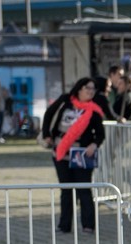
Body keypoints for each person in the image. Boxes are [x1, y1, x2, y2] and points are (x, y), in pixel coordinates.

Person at [41, 77, 105, 234]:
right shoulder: (66, 101)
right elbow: (49, 114)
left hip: (81, 154)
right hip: (61, 151)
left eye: (93, 89)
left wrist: (94, 144)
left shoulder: (94, 110)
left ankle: (88, 225)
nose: (90, 91)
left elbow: (100, 134)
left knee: (84, 189)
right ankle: (64, 225)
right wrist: (47, 134)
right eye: (87, 88)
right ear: (79, 89)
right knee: (66, 189)